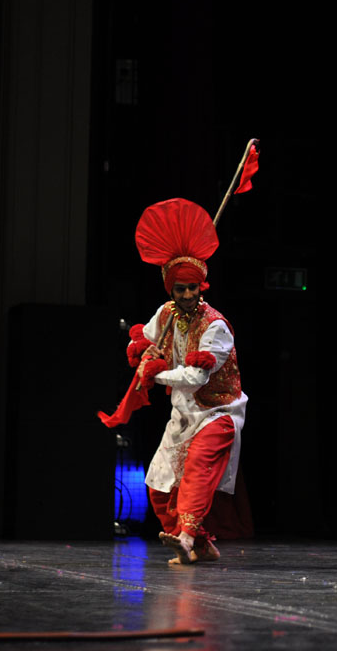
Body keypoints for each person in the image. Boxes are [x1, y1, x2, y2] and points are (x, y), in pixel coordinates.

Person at [130, 197, 247, 564]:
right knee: (159, 484)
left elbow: (196, 377)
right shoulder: (166, 313)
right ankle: (200, 546)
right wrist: (141, 353)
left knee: (198, 466)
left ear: (202, 286)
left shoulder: (215, 326)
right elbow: (146, 341)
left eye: (192, 288)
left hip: (218, 413)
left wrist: (156, 372)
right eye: (180, 289)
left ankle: (184, 537)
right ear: (170, 289)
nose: (187, 295)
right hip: (183, 416)